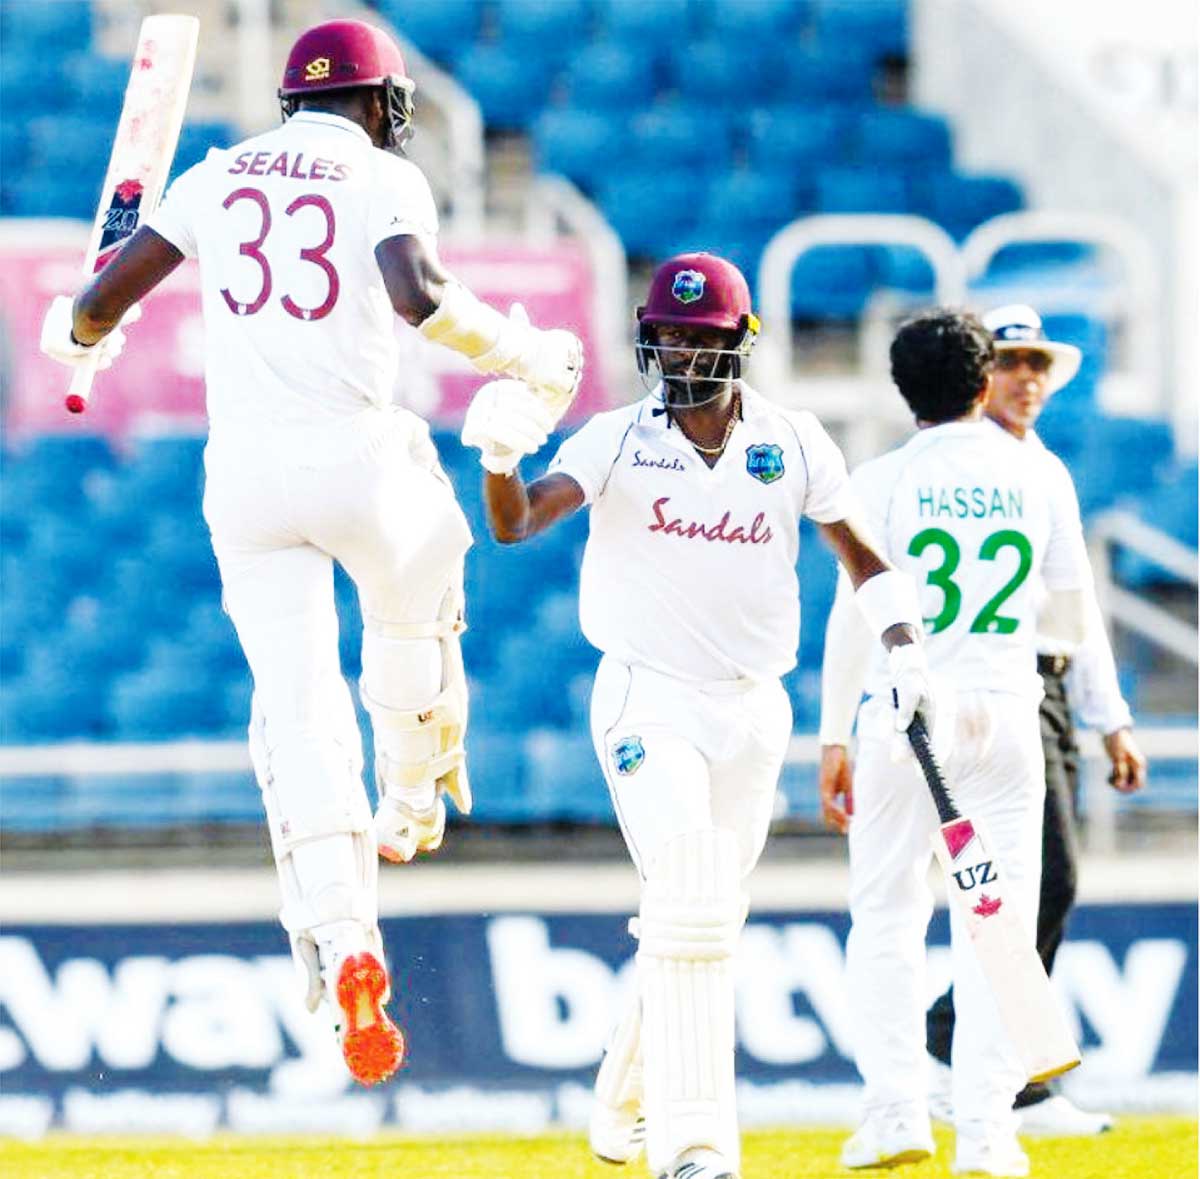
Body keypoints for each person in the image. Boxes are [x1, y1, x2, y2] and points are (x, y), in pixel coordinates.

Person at [38, 18, 581, 1088]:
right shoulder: (381, 173)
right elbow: (418, 296)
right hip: (357, 457)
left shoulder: (215, 173)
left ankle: (347, 943)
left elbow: (101, 300)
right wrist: (529, 350)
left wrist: (78, 333)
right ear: (381, 101)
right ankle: (414, 795)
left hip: (242, 480)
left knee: (295, 719)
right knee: (415, 607)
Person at [458, 252, 936, 1179]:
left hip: (753, 707)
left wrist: (907, 646)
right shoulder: (613, 438)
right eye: (669, 334)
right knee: (687, 891)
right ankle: (695, 1147)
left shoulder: (794, 442)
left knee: (707, 915)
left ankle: (617, 1095)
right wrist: (499, 458)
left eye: (702, 335)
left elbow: (864, 559)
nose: (681, 351)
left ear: (737, 342)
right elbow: (517, 523)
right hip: (647, 694)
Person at [817, 310, 1095, 1177]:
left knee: (890, 916)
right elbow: (1074, 616)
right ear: (984, 384)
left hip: (907, 714)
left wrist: (833, 735)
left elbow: (853, 614)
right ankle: (988, 1133)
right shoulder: (1037, 474)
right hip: (1008, 709)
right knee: (998, 927)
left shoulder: (882, 477)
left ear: (904, 393)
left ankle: (897, 1112)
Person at [923, 305, 1147, 1136]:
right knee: (1034, 880)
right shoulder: (966, 470)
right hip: (987, 686)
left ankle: (985, 1059)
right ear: (982, 374)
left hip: (1047, 687)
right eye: (1010, 361)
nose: (1026, 379)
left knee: (1046, 883)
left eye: (1036, 364)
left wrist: (1109, 714)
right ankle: (984, 1062)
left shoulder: (1041, 468)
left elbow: (1075, 601)